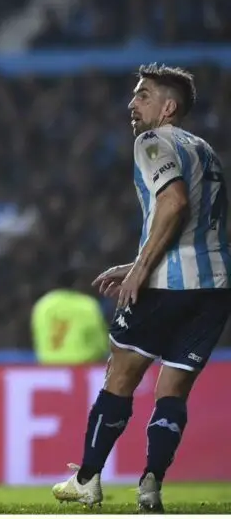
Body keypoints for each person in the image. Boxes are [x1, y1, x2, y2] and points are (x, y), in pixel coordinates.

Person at [53, 64, 231, 512]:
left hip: (166, 285)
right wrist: (134, 262)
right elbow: (197, 228)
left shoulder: (152, 140)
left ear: (168, 107)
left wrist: (140, 272)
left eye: (144, 95)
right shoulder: (207, 152)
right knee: (173, 391)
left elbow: (173, 203)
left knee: (121, 377)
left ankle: (88, 479)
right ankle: (151, 482)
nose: (133, 104)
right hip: (215, 288)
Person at [31, 269, 109, 365]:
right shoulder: (87, 305)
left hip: (49, 366)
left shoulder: (43, 304)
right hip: (81, 367)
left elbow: (37, 335)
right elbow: (100, 343)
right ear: (77, 283)